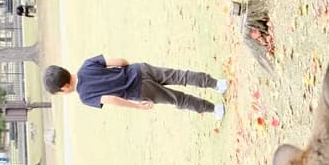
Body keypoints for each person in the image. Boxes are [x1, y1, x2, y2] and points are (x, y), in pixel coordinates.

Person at [44, 55, 228, 119]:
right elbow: (121, 61)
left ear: (63, 88)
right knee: (180, 76)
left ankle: (215, 109)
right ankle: (217, 84)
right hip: (140, 69)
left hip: (139, 90)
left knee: (177, 99)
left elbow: (111, 99)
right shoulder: (87, 64)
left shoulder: (85, 96)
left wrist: (137, 106)